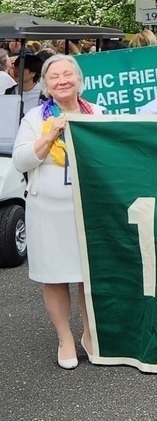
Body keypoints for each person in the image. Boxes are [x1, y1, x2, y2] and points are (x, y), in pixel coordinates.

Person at [12, 55, 107, 368]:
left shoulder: (98, 113)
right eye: (55, 77)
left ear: (79, 80)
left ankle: (90, 334)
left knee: (87, 275)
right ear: (46, 84)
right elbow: (21, 161)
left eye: (68, 74)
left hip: (89, 207)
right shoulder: (36, 118)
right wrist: (51, 133)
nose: (62, 80)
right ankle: (65, 337)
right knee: (54, 276)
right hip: (48, 211)